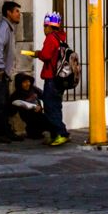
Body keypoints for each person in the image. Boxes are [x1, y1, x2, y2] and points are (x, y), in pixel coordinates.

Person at [0, 0, 23, 141]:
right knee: (0, 102)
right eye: (16, 11)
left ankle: (4, 130)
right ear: (9, 12)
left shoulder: (8, 27)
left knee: (3, 102)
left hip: (2, 72)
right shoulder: (3, 27)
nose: (19, 14)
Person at [36, 11, 72, 146]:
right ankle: (56, 134)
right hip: (59, 80)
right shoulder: (60, 38)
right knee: (56, 107)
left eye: (45, 26)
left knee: (50, 107)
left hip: (51, 78)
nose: (44, 29)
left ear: (50, 27)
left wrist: (37, 53)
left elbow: (45, 55)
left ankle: (61, 134)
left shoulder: (51, 38)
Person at [9, 72, 47, 140]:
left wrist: (41, 107)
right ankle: (33, 131)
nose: (27, 84)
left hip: (41, 112)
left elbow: (45, 96)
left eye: (28, 81)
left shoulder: (34, 89)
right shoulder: (16, 95)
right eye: (24, 82)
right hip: (29, 116)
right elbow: (11, 112)